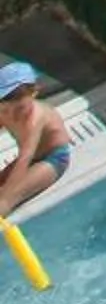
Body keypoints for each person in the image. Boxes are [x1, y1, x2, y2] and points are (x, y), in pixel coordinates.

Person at [0, 62, 72, 218]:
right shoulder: (5, 112)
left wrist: (6, 197)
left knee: (8, 198)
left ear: (34, 92)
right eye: (5, 104)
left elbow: (24, 159)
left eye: (19, 106)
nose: (12, 112)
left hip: (53, 159)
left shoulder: (35, 118)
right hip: (31, 158)